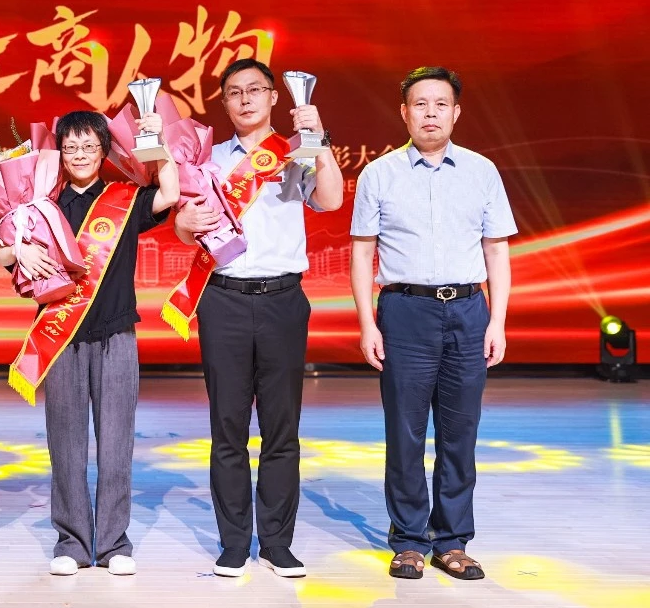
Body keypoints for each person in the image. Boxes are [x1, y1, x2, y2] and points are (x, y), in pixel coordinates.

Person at [173, 59, 344, 578]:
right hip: (222, 299)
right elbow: (186, 226)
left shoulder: (295, 151)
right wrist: (184, 222)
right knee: (227, 428)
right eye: (234, 92)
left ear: (274, 97)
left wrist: (318, 138)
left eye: (255, 89)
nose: (245, 99)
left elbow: (331, 198)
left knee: (281, 428)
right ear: (223, 103)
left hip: (282, 301)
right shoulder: (207, 158)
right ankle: (233, 542)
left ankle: (275, 542)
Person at [0, 110, 178, 576]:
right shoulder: (41, 206)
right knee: (66, 445)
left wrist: (156, 143)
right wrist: (18, 249)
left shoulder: (125, 199)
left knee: (116, 444)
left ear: (104, 152)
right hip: (60, 338)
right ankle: (72, 543)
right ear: (59, 153)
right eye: (71, 147)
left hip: (116, 334)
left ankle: (114, 544)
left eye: (89, 146)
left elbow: (171, 193)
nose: (79, 155)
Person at [349, 66, 515, 581]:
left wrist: (497, 322)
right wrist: (367, 323)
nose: (430, 113)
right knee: (405, 432)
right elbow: (362, 253)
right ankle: (407, 541)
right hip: (405, 311)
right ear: (404, 113)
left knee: (460, 432)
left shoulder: (482, 171)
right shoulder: (379, 174)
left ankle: (452, 540)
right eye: (420, 104)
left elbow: (497, 251)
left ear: (456, 112)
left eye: (441, 104)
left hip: (468, 310)